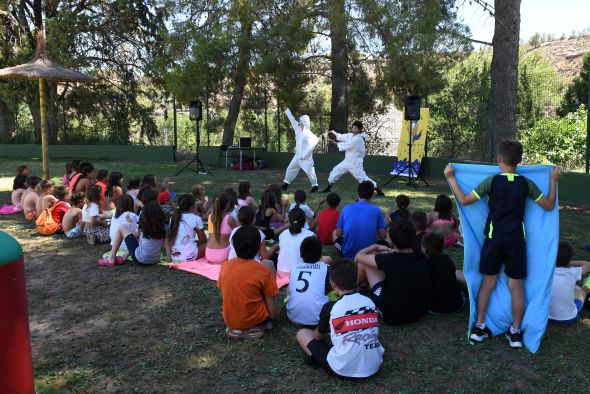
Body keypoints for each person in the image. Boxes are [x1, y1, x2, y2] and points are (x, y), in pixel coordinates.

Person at [445, 139, 560, 348]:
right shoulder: (526, 183)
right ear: (519, 161)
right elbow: (550, 205)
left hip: (494, 239)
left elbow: (464, 200)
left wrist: (451, 178)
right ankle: (515, 333)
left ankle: (479, 327)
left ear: (499, 159)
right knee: (516, 286)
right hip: (516, 241)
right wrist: (553, 180)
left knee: (488, 282)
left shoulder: (492, 181)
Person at [295, 259, 384, 378]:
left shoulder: (330, 307)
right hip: (374, 365)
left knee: (302, 333)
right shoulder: (370, 302)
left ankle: (317, 358)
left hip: (341, 369)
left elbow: (317, 336)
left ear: (333, 284)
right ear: (356, 280)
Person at [356, 219, 431, 325]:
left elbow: (358, 257)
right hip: (421, 310)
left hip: (393, 315)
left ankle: (349, 289)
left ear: (392, 239)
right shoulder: (421, 254)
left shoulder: (389, 259)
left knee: (365, 263)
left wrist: (376, 246)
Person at [217, 226, 279, 339]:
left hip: (229, 319)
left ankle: (240, 323)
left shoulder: (224, 266)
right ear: (257, 248)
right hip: (257, 320)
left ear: (234, 246)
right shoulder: (264, 271)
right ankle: (262, 323)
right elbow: (273, 313)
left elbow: (224, 292)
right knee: (268, 264)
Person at [321, 120, 384, 196]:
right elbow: (342, 137)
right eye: (353, 127)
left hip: (355, 163)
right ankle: (328, 188)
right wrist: (333, 132)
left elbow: (347, 144)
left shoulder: (358, 139)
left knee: (362, 179)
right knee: (335, 171)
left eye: (356, 128)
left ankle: (378, 190)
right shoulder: (351, 135)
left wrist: (333, 142)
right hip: (347, 161)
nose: (354, 129)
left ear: (359, 129)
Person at [100, 201, 167, 266]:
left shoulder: (145, 227)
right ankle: (124, 257)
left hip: (140, 259)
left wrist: (131, 222)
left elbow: (136, 235)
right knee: (140, 243)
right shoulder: (164, 228)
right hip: (155, 259)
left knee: (122, 227)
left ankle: (111, 258)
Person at [334, 181, 387, 259]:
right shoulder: (376, 210)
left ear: (357, 194)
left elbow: (338, 234)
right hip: (369, 255)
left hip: (347, 254)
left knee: (333, 233)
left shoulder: (346, 208)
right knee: (387, 238)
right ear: (372, 195)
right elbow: (383, 236)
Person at [287, 236, 330, 326]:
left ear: (301, 254)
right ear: (321, 254)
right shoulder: (326, 269)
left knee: (289, 287)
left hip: (293, 316)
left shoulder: (294, 268)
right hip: (318, 319)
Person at [422, 232, 466, 314]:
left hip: (435, 308)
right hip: (457, 304)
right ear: (443, 247)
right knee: (457, 273)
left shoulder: (424, 265)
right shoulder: (447, 260)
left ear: (424, 249)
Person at [548, 241, 590, 324]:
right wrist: (568, 263)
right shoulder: (572, 272)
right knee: (580, 291)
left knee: (573, 288)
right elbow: (588, 264)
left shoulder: (546, 272)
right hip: (570, 318)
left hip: (546, 316)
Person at [282, 107, 319, 192]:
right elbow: (292, 120)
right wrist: (287, 110)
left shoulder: (309, 134)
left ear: (305, 123)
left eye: (301, 122)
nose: (299, 123)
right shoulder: (298, 129)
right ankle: (285, 184)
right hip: (297, 156)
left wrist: (303, 156)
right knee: (290, 169)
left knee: (310, 172)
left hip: (306, 158)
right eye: (299, 122)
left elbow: (312, 144)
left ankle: (315, 186)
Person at [166, 194, 207, 262]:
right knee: (210, 243)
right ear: (192, 206)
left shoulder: (173, 217)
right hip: (189, 256)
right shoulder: (196, 219)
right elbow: (203, 240)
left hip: (174, 255)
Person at [277, 208, 316, 279]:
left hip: (282, 273)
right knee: (327, 259)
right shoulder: (311, 235)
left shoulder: (282, 234)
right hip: (300, 274)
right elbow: (317, 256)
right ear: (304, 221)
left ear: (289, 220)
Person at [205, 193, 237, 264]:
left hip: (209, 254)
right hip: (223, 255)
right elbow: (237, 235)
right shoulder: (230, 219)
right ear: (226, 205)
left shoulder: (210, 217)